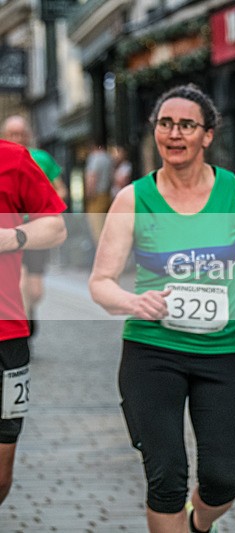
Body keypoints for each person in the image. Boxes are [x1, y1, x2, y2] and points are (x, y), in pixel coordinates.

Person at [88, 84, 235, 533]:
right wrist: (134, 301)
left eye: (187, 125)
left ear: (207, 135)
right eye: (165, 124)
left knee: (223, 481)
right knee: (166, 479)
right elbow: (100, 283)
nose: (174, 134)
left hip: (226, 352)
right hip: (153, 352)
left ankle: (198, 524)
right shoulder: (133, 199)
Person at [0, 139, 67, 505]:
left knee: (1, 476)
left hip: (6, 337)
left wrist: (12, 237)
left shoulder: (13, 160)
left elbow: (56, 228)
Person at [1, 115, 68, 336]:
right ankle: (24, 322)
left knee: (35, 290)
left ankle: (28, 312)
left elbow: (61, 189)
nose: (17, 138)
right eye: (12, 134)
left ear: (28, 135)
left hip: (35, 229)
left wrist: (41, 204)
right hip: (10, 233)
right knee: (20, 282)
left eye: (21, 134)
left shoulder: (40, 158)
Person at [84, 143, 114, 244]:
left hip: (96, 196)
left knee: (96, 227)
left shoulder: (94, 158)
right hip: (107, 194)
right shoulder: (108, 158)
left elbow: (92, 177)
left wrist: (89, 193)